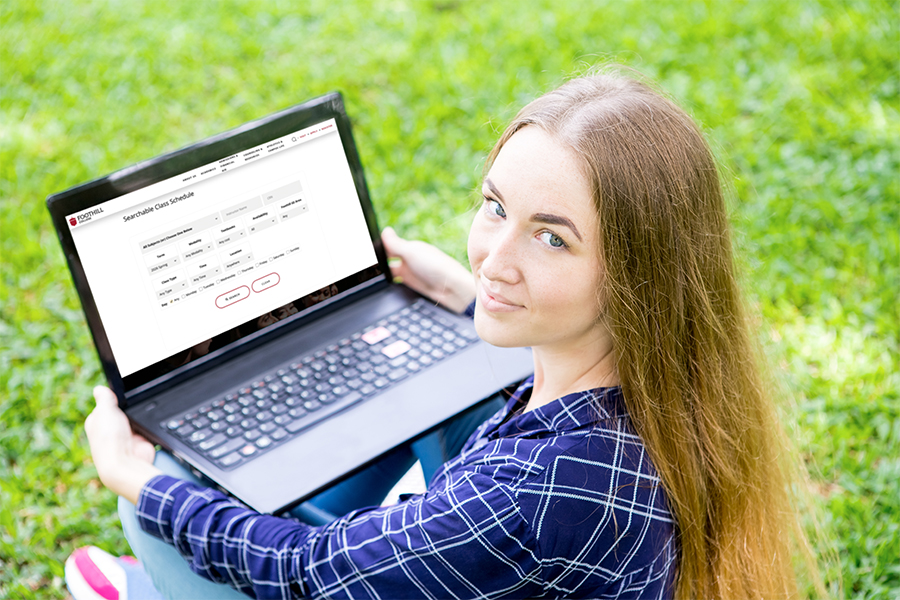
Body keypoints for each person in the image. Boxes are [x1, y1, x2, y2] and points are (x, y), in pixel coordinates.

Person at [73, 68, 815, 599]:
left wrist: (141, 483)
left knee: (154, 506)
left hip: (364, 567)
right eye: (495, 207)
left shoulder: (529, 495)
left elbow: (307, 571)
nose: (494, 257)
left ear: (637, 274)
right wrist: (469, 302)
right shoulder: (660, 386)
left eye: (551, 239)